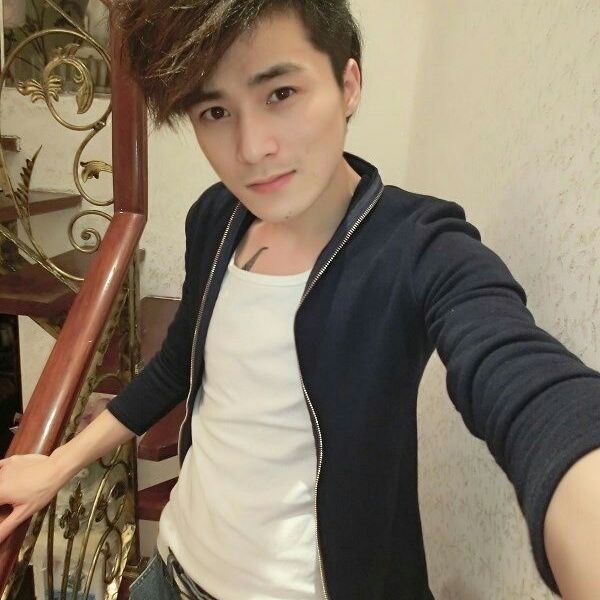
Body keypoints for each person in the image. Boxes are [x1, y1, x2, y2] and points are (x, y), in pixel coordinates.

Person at [1, 1, 599, 599]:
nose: (251, 147)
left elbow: (521, 375)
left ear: (348, 84)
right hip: (170, 572)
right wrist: (58, 464)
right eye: (215, 111)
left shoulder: (418, 247)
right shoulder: (215, 217)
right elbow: (176, 365)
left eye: (280, 93)